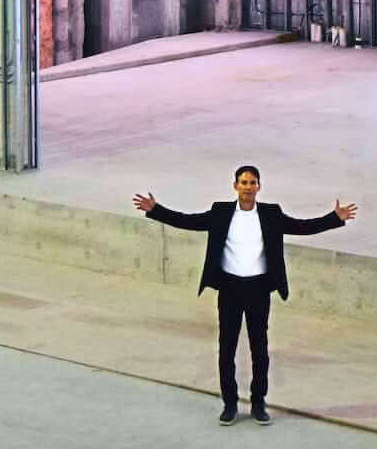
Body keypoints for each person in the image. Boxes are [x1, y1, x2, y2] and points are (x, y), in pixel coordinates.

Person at [132, 166, 357, 426]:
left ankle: (258, 403)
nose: (248, 187)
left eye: (252, 182)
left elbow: (302, 227)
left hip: (259, 290)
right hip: (229, 289)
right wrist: (155, 209)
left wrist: (334, 218)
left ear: (259, 187)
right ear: (235, 186)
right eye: (243, 182)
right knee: (226, 348)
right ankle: (230, 404)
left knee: (259, 349)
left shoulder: (271, 214)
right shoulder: (220, 212)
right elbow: (187, 220)